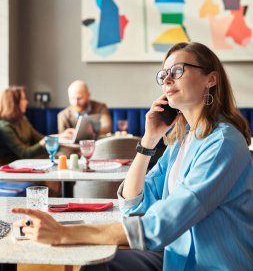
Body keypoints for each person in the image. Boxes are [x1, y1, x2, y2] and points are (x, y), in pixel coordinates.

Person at [12, 42, 253, 271]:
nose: (167, 79)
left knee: (98, 262)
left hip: (209, 264)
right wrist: (149, 139)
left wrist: (64, 233)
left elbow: (161, 225)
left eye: (178, 70)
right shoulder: (183, 140)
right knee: (96, 263)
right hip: (175, 256)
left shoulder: (222, 143)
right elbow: (133, 204)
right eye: (163, 74)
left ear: (211, 79)